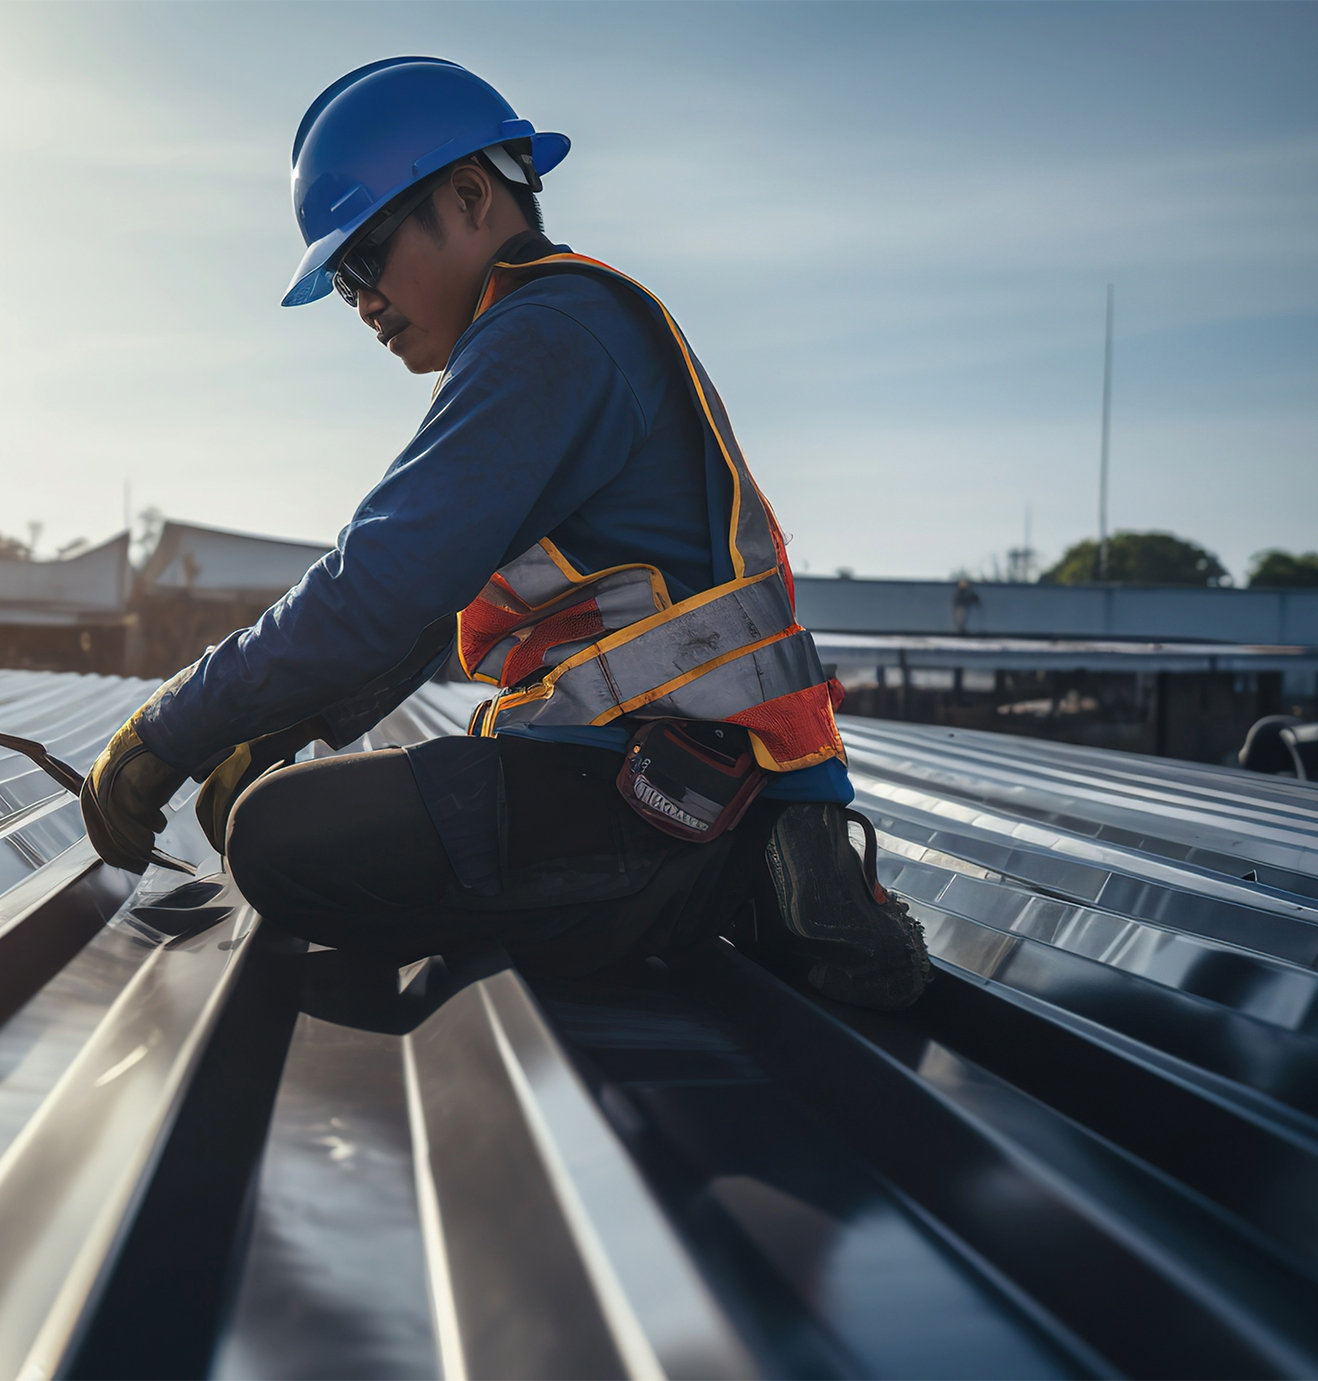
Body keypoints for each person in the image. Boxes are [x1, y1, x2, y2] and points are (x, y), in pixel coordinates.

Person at [80, 58, 928, 1009]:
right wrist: (290, 719)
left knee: (278, 838)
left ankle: (749, 889)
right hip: (672, 779)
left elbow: (376, 588)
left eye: (362, 257)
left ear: (472, 196)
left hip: (670, 800)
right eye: (343, 278)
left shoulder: (546, 333)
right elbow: (424, 602)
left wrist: (171, 726)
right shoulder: (548, 328)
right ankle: (740, 877)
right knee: (282, 821)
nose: (359, 301)